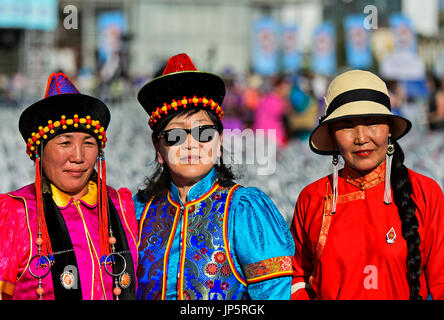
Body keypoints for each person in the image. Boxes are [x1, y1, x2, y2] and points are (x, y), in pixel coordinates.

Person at [134, 53, 294, 300]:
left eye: (204, 133)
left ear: (219, 144)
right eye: (175, 136)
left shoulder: (243, 211)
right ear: (158, 149)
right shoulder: (137, 212)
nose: (191, 145)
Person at [291, 70, 444, 300]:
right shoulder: (312, 198)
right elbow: (297, 277)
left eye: (372, 122)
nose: (361, 137)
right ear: (332, 135)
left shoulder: (425, 193)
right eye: (347, 125)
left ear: (389, 128)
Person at [0, 72, 138, 300]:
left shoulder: (120, 205)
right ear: (40, 153)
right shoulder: (14, 215)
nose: (78, 156)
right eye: (65, 143)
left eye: (88, 143)